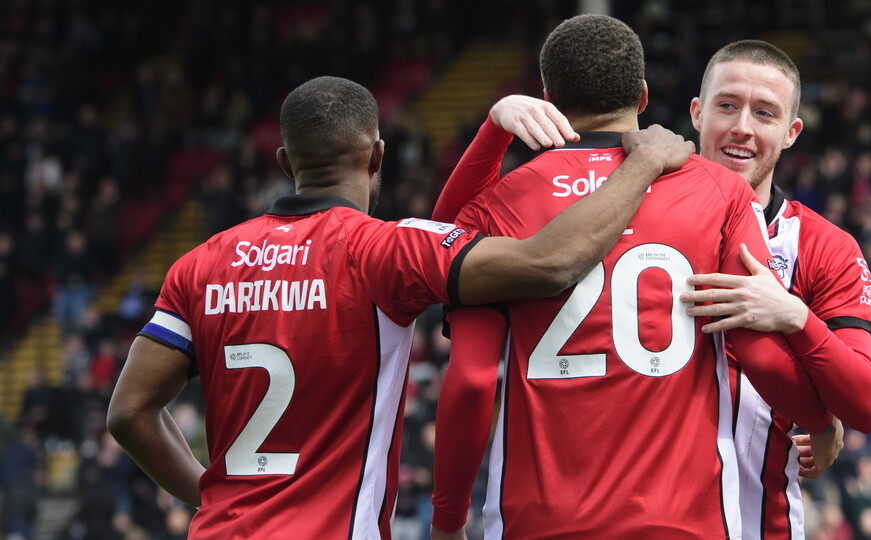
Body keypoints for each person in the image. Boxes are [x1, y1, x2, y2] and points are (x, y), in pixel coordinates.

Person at [105, 75, 696, 539]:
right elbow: (551, 262)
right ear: (377, 156)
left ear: (285, 162)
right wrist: (642, 163)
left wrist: (206, 495)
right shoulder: (383, 250)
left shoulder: (200, 264)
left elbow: (129, 413)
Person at [429, 15, 836, 539]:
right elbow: (759, 355)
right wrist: (822, 421)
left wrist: (446, 521)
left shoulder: (498, 203)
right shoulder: (720, 191)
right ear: (643, 97)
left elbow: (471, 379)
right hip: (686, 521)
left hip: (538, 520)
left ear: (547, 97)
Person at [683, 40, 871, 539]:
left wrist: (795, 315)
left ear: (791, 131)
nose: (742, 127)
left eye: (765, 113)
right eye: (727, 105)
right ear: (696, 112)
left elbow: (866, 404)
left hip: (762, 526)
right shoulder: (636, 217)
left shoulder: (825, 247)